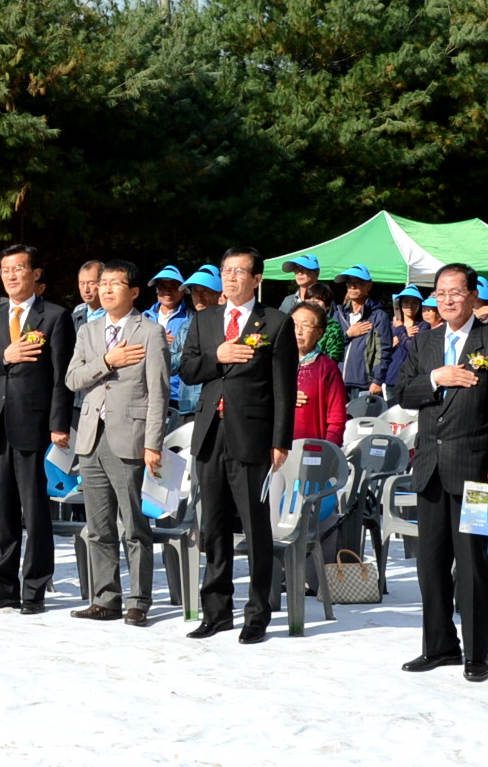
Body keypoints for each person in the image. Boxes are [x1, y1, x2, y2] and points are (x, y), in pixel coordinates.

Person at [389, 262, 488, 680]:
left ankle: (477, 653)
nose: (447, 300)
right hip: (430, 467)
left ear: (473, 296)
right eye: (440, 293)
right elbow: (402, 391)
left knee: (473, 565)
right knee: (430, 564)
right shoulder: (425, 342)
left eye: (456, 292)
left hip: (475, 471)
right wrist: (436, 377)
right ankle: (439, 646)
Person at [179, 247, 298, 643]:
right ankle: (216, 612)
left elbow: (284, 388)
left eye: (239, 271)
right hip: (210, 433)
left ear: (256, 279)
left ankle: (257, 614)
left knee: (254, 528)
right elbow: (187, 370)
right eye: (225, 270)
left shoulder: (276, 323)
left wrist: (280, 441)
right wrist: (217, 355)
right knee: (212, 527)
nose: (230, 278)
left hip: (252, 436)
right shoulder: (205, 319)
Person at [0, 244, 75, 614]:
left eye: (18, 268)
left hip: (35, 424)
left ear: (34, 273)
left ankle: (35, 590)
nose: (11, 275)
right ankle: (2, 588)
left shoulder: (54, 316)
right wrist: (5, 356)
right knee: (3, 512)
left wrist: (59, 424)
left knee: (35, 512)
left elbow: (61, 377)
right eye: (5, 270)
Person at [66, 259, 171, 625]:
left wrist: (153, 443)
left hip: (130, 437)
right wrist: (108, 361)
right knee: (99, 527)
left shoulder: (150, 332)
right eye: (103, 283)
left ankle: (139, 600)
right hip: (91, 437)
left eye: (115, 283)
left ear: (135, 291)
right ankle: (105, 599)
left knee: (134, 526)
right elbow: (73, 379)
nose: (106, 289)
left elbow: (158, 392)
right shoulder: (88, 331)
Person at [289, 302, 348, 442]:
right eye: (294, 325)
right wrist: (284, 398)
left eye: (306, 326)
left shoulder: (327, 368)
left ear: (319, 333)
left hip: (312, 449)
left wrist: (326, 450)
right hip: (273, 449)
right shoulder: (274, 362)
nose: (298, 331)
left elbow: (337, 421)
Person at [334, 265, 392, 405]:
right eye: (349, 283)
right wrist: (348, 334)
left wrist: (377, 380)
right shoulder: (339, 314)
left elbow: (383, 350)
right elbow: (329, 345)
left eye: (358, 283)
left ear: (369, 286)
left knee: (360, 418)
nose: (352, 287)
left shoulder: (378, 316)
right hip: (337, 381)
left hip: (364, 384)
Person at [148, 266, 196, 415]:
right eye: (163, 287)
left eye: (173, 287)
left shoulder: (192, 319)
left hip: (177, 395)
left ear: (182, 291)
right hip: (146, 391)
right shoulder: (143, 318)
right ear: (157, 290)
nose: (168, 291)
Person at [72, 259, 105, 328]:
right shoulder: (75, 317)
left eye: (91, 283)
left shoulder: (116, 315)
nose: (86, 289)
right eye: (82, 283)